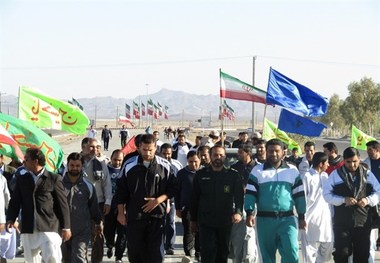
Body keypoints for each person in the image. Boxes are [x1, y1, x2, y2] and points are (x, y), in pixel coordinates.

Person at [115, 134, 177, 263]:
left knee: (155, 254)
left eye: (150, 149)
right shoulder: (129, 165)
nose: (147, 153)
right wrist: (121, 213)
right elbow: (121, 191)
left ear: (155, 148)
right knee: (135, 252)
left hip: (156, 217)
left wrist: (158, 200)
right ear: (139, 148)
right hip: (135, 217)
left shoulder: (165, 166)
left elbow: (173, 188)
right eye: (144, 149)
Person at [244, 139, 306, 263]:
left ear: (283, 152)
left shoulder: (292, 170)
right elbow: (250, 194)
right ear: (266, 152)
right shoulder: (257, 171)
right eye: (270, 151)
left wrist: (301, 216)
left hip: (287, 219)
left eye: (277, 151)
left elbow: (299, 195)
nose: (274, 154)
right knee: (267, 257)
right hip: (264, 220)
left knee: (292, 254)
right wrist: (249, 213)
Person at [6, 148, 71, 263]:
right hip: (28, 226)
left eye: (26, 159)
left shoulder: (54, 178)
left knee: (53, 257)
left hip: (48, 226)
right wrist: (11, 218)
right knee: (31, 260)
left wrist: (66, 227)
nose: (23, 162)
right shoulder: (22, 179)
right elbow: (15, 201)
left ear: (35, 161)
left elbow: (63, 204)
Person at [323, 147, 380, 262]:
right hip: (342, 222)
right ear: (344, 161)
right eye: (348, 162)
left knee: (362, 255)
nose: (352, 165)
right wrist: (343, 200)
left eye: (355, 161)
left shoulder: (368, 175)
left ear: (359, 159)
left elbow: (378, 192)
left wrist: (367, 200)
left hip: (363, 222)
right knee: (342, 253)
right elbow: (326, 195)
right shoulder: (335, 175)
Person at [190, 145, 244, 263]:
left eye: (221, 155)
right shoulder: (201, 175)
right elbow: (194, 199)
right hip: (206, 221)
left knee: (222, 253)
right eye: (215, 155)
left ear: (225, 157)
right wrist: (193, 220)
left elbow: (239, 197)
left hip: (225, 222)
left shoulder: (233, 175)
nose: (218, 157)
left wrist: (238, 212)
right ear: (210, 156)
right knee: (207, 252)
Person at [61, 152, 102, 263]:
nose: (74, 168)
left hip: (82, 231)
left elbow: (94, 208)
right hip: (62, 230)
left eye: (78, 166)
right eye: (72, 165)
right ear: (67, 166)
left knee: (79, 258)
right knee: (65, 259)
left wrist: (98, 223)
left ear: (82, 166)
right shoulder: (58, 185)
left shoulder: (88, 186)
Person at [81, 137, 112, 263]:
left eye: (96, 147)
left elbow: (107, 184)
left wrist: (108, 201)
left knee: (98, 236)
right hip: (80, 204)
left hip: (98, 204)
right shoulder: (75, 162)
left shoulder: (101, 162)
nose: (95, 149)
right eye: (91, 147)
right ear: (83, 147)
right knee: (81, 236)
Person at [300, 152, 334, 263]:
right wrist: (302, 217)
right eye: (327, 162)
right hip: (310, 218)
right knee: (309, 250)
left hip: (325, 218)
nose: (328, 165)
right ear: (321, 164)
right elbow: (303, 197)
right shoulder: (307, 176)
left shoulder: (325, 176)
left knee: (329, 244)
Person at [229, 144, 258, 263]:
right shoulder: (234, 168)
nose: (238, 155)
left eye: (241, 152)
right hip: (238, 206)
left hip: (254, 205)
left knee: (251, 245)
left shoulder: (258, 168)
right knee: (238, 243)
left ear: (248, 153)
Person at [175, 151, 201, 260]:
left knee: (200, 231)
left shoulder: (204, 172)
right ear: (187, 161)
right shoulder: (181, 173)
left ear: (199, 161)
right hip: (187, 208)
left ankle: (198, 252)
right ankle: (188, 253)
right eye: (191, 162)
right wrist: (178, 208)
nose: (193, 164)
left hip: (201, 208)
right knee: (188, 230)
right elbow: (177, 192)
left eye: (196, 162)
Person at [103, 149, 127, 263]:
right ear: (111, 158)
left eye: (120, 160)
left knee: (122, 233)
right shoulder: (105, 170)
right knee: (108, 230)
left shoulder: (126, 170)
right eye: (115, 159)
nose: (117, 162)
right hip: (109, 206)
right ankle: (110, 245)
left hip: (123, 206)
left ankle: (119, 256)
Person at [160, 143, 183, 256]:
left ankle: (170, 246)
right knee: (159, 223)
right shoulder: (157, 164)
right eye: (164, 153)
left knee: (170, 222)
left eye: (168, 153)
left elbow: (179, 184)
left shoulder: (177, 165)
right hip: (159, 199)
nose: (166, 156)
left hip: (172, 198)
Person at [363, 140, 380, 261]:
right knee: (373, 226)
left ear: (377, 150)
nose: (368, 152)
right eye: (367, 150)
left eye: (370, 150)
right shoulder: (365, 163)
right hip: (372, 199)